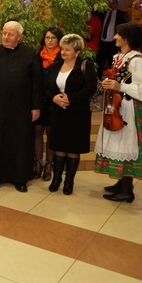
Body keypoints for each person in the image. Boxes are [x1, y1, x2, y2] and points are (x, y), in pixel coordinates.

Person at [95, 23, 142, 202]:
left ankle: (126, 190)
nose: (115, 37)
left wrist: (121, 86)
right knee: (118, 144)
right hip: (117, 106)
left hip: (130, 109)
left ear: (127, 38)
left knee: (126, 145)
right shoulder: (119, 57)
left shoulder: (137, 61)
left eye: (118, 34)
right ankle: (121, 183)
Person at [0, 21, 42, 192]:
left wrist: (36, 106)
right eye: (4, 33)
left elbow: (37, 82)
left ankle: (20, 178)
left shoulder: (30, 54)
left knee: (20, 141)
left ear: (19, 37)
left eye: (10, 34)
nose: (6, 37)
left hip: (21, 107)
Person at [44, 34, 96, 195]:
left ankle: (69, 181)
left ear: (77, 52)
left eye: (68, 50)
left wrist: (71, 98)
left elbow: (90, 88)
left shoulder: (86, 66)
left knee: (73, 148)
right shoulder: (55, 66)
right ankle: (56, 178)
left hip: (78, 113)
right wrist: (54, 98)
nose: (63, 52)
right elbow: (46, 87)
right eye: (62, 49)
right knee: (58, 146)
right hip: (57, 112)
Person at [33, 28, 63, 182]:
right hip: (39, 99)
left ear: (59, 40)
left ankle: (49, 165)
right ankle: (38, 163)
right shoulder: (37, 55)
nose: (50, 41)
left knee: (51, 133)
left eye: (53, 38)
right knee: (37, 131)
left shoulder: (63, 56)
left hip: (54, 100)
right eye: (47, 38)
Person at [96, 0, 127, 80]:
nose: (110, 5)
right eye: (108, 3)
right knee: (99, 63)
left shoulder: (122, 15)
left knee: (112, 64)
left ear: (117, 4)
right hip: (101, 42)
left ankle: (111, 81)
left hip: (113, 43)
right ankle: (98, 81)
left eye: (113, 3)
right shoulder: (101, 13)